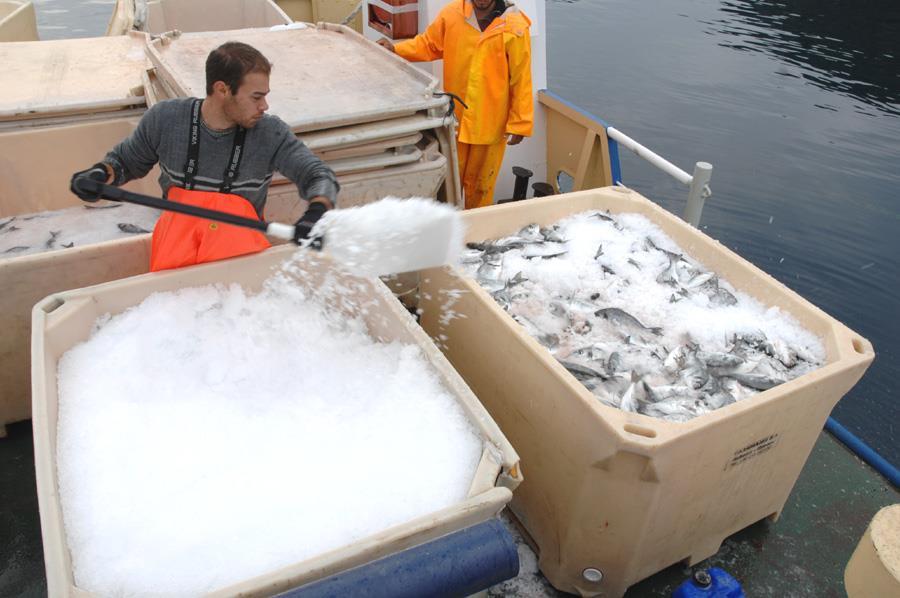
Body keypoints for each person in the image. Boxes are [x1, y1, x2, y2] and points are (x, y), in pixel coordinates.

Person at [70, 42, 338, 272]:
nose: (264, 106)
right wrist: (97, 175)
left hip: (242, 260)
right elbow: (124, 163)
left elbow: (317, 174)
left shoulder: (270, 133)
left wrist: (315, 213)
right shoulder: (165, 119)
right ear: (222, 90)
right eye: (256, 97)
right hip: (174, 260)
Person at [377, 0, 533, 209]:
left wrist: (520, 123)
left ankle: (476, 235)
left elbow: (521, 78)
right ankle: (449, 232)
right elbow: (428, 44)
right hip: (455, 122)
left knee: (481, 189)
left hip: (490, 128)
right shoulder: (452, 14)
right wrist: (395, 49)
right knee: (448, 188)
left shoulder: (515, 26)